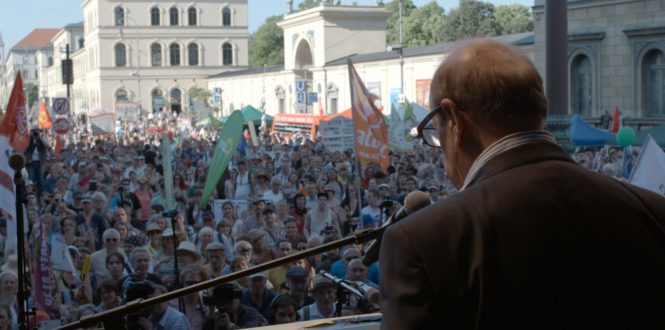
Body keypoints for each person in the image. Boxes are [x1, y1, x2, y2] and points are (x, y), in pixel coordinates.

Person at [379, 39, 665, 329]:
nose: (439, 150)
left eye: (435, 129)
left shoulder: (422, 241)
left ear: (454, 119)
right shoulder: (654, 211)